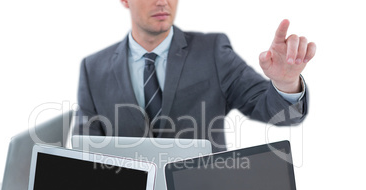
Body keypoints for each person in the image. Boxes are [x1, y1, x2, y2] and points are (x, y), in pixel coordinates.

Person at [74, 0, 316, 152]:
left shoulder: (213, 51)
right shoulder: (93, 68)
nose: (162, 3)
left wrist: (285, 83)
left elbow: (277, 114)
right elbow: (84, 152)